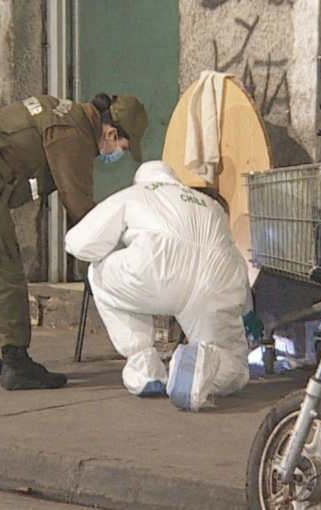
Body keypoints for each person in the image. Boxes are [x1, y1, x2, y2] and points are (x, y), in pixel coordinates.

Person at [0, 93, 149, 390]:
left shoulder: (64, 113)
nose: (116, 153)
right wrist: (123, 251)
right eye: (122, 146)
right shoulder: (74, 135)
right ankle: (16, 361)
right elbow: (80, 208)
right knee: (1, 267)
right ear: (110, 132)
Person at [64, 160, 250, 411]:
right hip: (214, 282)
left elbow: (79, 243)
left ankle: (144, 369)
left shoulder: (135, 194)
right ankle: (203, 365)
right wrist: (241, 303)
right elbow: (235, 258)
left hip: (154, 271)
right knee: (234, 362)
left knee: (99, 273)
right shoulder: (211, 205)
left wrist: (117, 245)